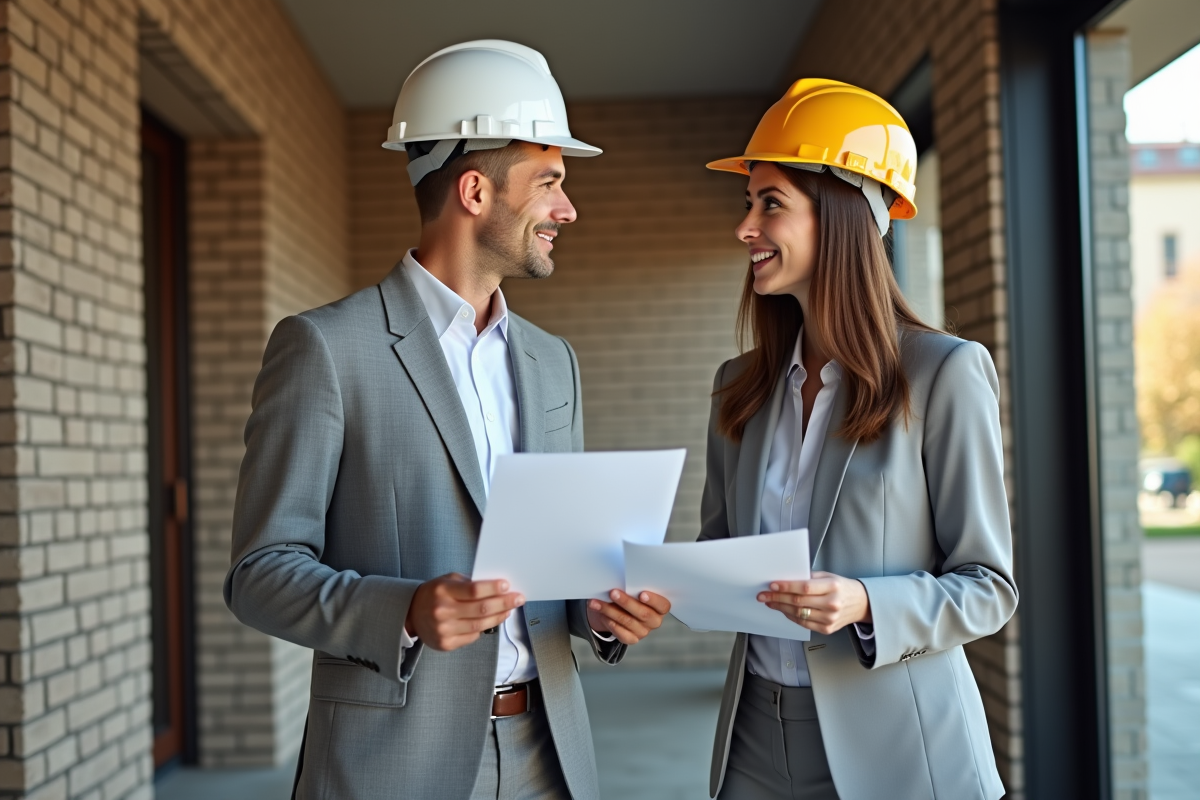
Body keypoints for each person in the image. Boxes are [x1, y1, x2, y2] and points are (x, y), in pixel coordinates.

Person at [224, 40, 670, 800]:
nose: (568, 209)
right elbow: (259, 575)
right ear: (474, 192)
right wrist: (402, 610)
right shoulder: (325, 349)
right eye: (550, 183)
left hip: (549, 757)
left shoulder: (553, 362)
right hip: (391, 763)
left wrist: (602, 611)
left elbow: (561, 563)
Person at [697, 79, 1019, 800]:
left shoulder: (944, 373)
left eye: (769, 203)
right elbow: (720, 552)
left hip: (898, 747)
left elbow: (989, 588)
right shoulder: (738, 386)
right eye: (747, 204)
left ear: (841, 216)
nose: (744, 228)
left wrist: (866, 602)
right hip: (752, 737)